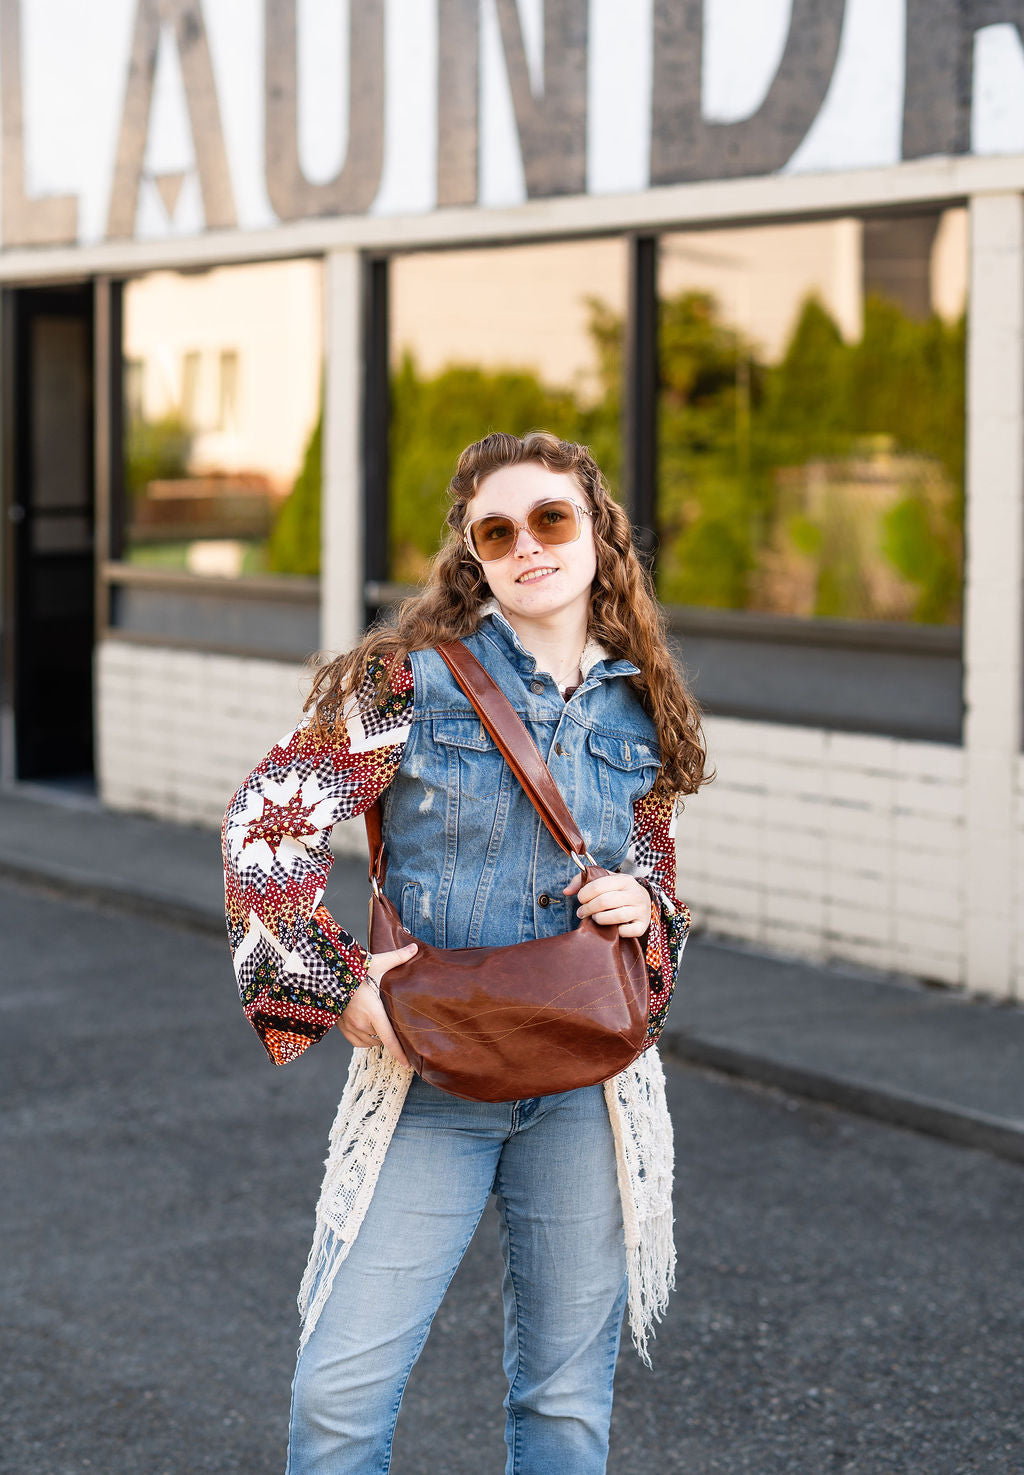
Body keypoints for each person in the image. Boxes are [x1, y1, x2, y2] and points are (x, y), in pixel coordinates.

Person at [222, 429, 708, 1475]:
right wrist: (334, 983)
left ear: (597, 534)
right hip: (429, 1075)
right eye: (499, 530)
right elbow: (267, 824)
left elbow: (655, 862)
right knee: (341, 1394)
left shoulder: (640, 703)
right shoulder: (406, 684)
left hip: (589, 1086)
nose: (529, 544)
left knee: (565, 1406)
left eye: (551, 519)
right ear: (473, 556)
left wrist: (646, 900)